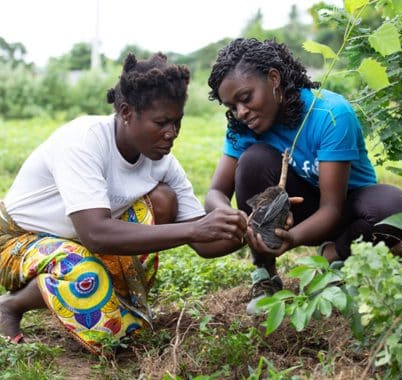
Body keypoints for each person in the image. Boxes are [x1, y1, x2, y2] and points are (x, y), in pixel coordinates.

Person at [0, 52, 247, 354]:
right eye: (161, 122)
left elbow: (204, 243)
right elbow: (96, 234)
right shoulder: (85, 140)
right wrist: (195, 231)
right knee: (81, 270)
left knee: (162, 200)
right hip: (16, 239)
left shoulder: (163, 161)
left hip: (74, 240)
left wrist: (249, 228)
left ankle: (116, 300)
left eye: (177, 121)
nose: (172, 134)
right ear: (127, 112)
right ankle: (10, 306)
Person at [205, 38, 402, 314]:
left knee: (395, 208)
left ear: (273, 79)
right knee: (253, 160)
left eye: (246, 98)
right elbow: (214, 193)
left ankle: (335, 254)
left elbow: (332, 207)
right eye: (232, 107)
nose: (241, 112)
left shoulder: (330, 114)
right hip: (298, 210)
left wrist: (291, 239)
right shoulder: (243, 126)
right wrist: (236, 218)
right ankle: (265, 275)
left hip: (345, 212)